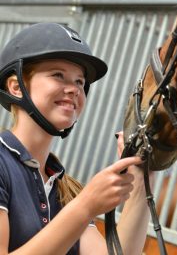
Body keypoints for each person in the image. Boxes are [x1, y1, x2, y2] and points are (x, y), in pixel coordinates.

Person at [0, 23, 151, 254]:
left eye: (80, 81)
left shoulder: (66, 190)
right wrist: (85, 206)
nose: (74, 89)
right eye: (58, 75)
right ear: (16, 87)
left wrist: (141, 175)